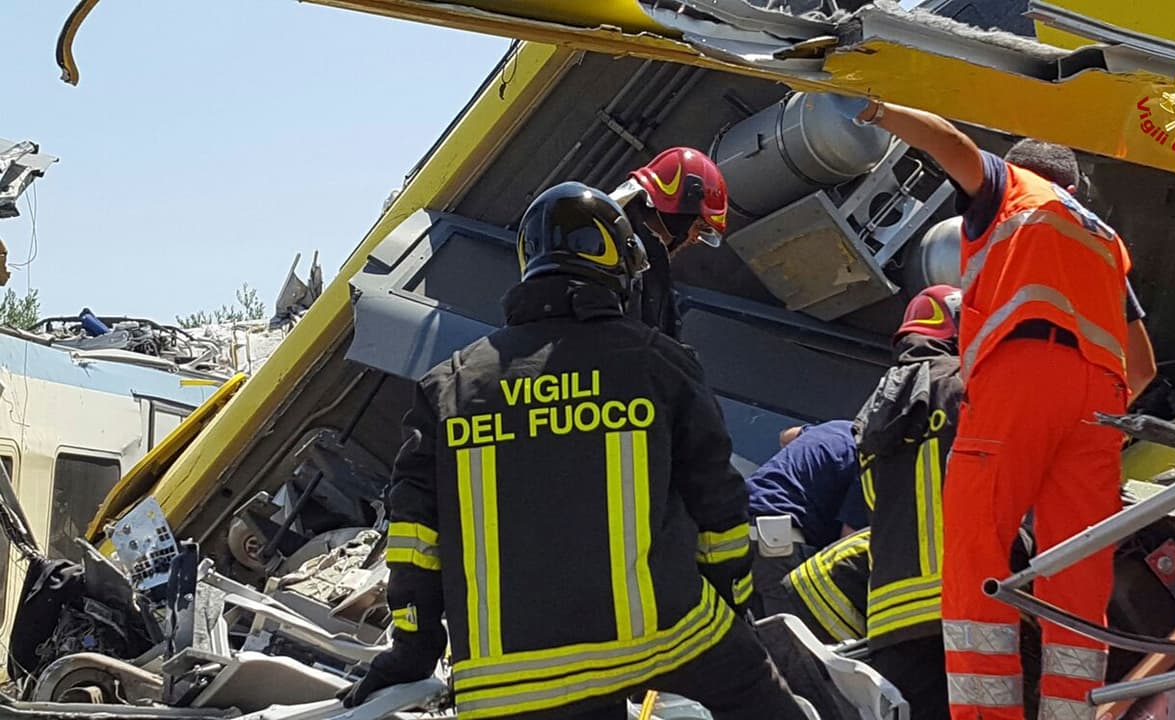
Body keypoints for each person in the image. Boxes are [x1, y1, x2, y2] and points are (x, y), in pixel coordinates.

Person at [340, 181, 808, 720]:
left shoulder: (449, 385)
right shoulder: (657, 363)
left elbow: (416, 539)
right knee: (763, 698)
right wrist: (735, 606)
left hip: (508, 676)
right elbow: (720, 511)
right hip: (661, 635)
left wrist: (411, 653)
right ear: (620, 269)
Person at [850, 98, 1158, 720]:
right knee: (1078, 571)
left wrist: (877, 107)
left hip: (1022, 378)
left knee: (976, 550)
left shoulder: (1014, 189)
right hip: (1102, 401)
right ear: (1079, 187)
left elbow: (951, 144)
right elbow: (1145, 367)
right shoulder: (1103, 238)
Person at [784, 286, 965, 719]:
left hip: (888, 619)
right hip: (956, 605)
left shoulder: (877, 412)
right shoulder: (965, 382)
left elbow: (869, 513)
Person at [746, 420, 867, 616]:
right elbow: (849, 544)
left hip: (739, 526)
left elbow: (787, 436)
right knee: (791, 638)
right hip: (779, 546)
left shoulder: (838, 427)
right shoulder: (873, 458)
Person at [612, 147, 729, 339]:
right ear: (678, 215)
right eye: (699, 226)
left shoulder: (648, 270)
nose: (694, 239)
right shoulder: (605, 249)